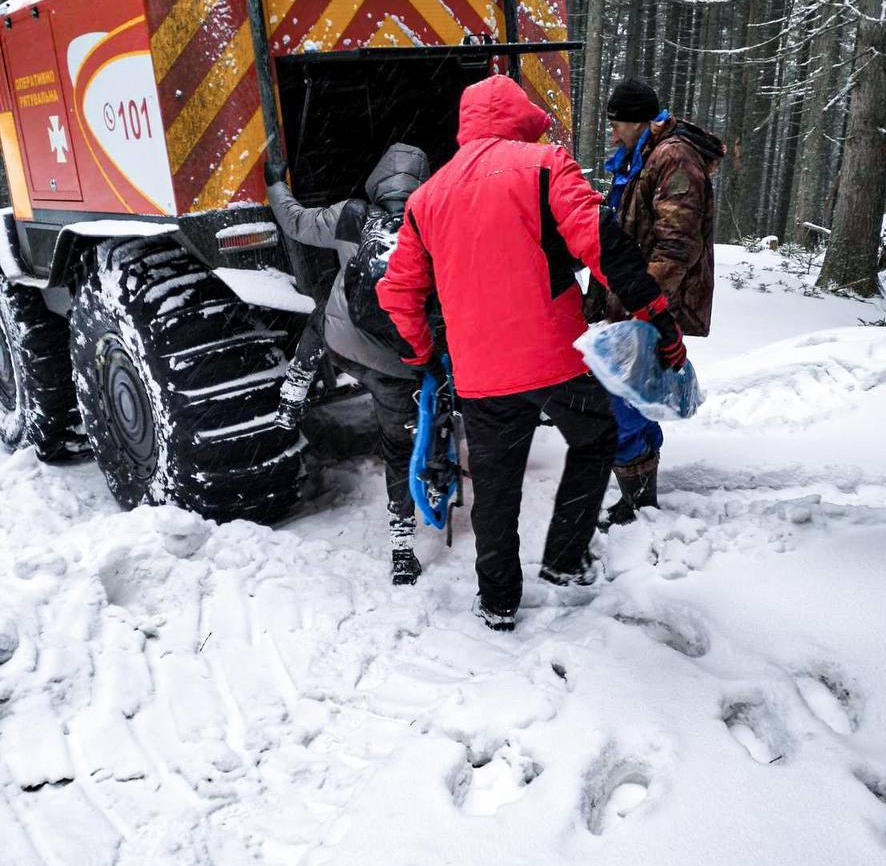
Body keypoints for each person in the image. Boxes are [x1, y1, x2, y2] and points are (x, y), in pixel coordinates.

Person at [376, 75, 687, 632]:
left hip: (479, 373)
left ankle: (497, 602)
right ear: (519, 118)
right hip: (556, 359)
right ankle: (566, 560)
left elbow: (398, 291)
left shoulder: (426, 197)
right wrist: (656, 316)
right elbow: (601, 239)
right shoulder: (544, 164)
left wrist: (421, 355)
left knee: (494, 487)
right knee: (595, 440)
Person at [265, 143, 430, 586]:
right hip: (400, 362)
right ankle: (401, 551)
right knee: (400, 451)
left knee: (324, 310)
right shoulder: (434, 220)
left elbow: (296, 222)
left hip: (344, 345)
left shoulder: (352, 214)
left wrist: (275, 183)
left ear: (377, 180)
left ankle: (293, 391)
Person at [590, 77, 723, 526]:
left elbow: (676, 244)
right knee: (634, 392)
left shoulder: (674, 158)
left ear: (639, 120)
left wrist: (642, 302)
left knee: (618, 396)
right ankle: (641, 493)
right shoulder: (645, 154)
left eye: (616, 124)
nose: (611, 134)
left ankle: (638, 503)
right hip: (639, 295)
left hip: (652, 298)